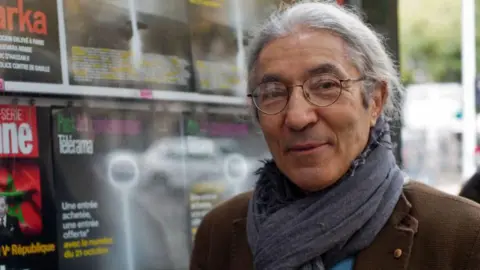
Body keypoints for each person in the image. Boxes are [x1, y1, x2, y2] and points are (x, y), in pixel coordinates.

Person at [190, 2, 480, 270]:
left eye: (326, 85)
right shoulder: (221, 232)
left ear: (376, 100)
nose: (298, 117)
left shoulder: (462, 236)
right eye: (274, 93)